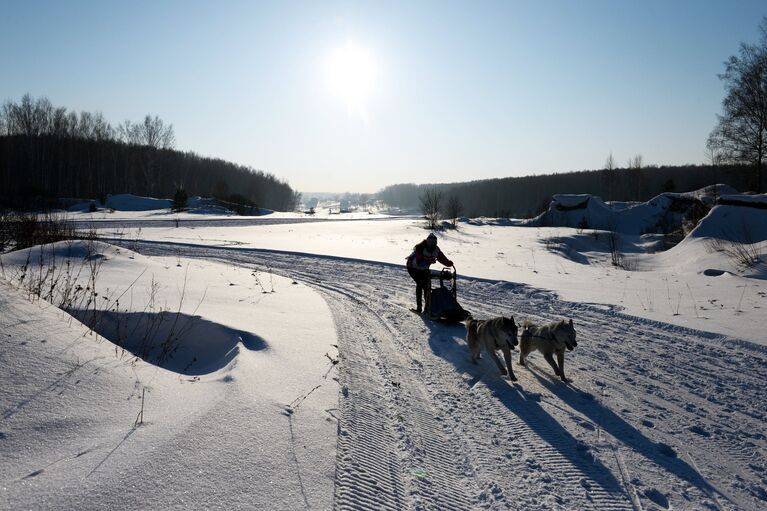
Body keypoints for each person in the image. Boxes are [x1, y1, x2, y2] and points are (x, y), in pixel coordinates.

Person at [406, 233, 453, 313]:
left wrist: (448, 263)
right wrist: (428, 261)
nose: (432, 244)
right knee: (421, 284)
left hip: (424, 268)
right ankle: (419, 308)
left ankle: (427, 307)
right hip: (412, 267)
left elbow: (441, 258)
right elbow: (418, 261)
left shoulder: (436, 250)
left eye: (434, 243)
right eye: (431, 242)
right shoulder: (420, 248)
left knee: (427, 287)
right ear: (427, 242)